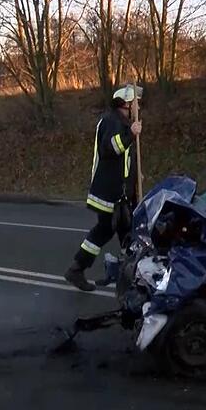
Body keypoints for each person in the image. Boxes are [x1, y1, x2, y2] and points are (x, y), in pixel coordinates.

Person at [64, 86, 142, 292]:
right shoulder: (112, 121)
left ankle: (127, 277)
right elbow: (111, 149)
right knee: (112, 231)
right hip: (109, 192)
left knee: (124, 232)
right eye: (135, 102)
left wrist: (134, 177)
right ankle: (79, 269)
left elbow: (123, 161)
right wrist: (131, 135)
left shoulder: (122, 122)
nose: (138, 106)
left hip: (120, 192)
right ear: (126, 104)